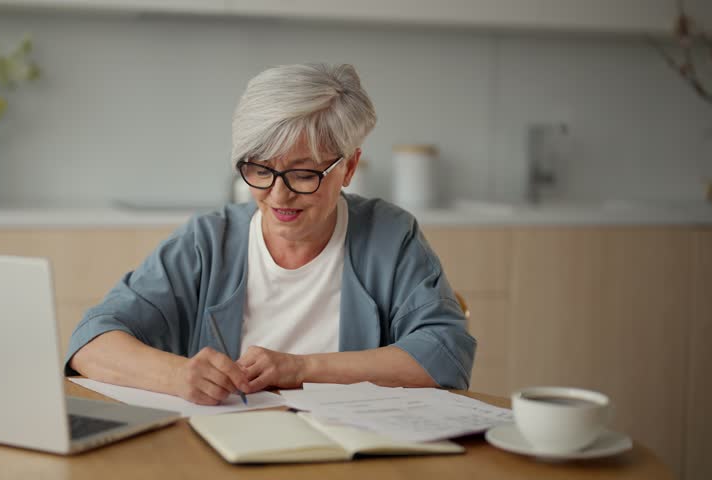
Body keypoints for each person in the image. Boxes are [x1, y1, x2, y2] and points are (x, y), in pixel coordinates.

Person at [65, 63, 476, 405]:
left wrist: (302, 368)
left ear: (349, 168)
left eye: (303, 173)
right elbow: (91, 343)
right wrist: (178, 375)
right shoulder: (208, 241)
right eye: (260, 170)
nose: (279, 194)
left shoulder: (389, 236)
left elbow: (444, 353)